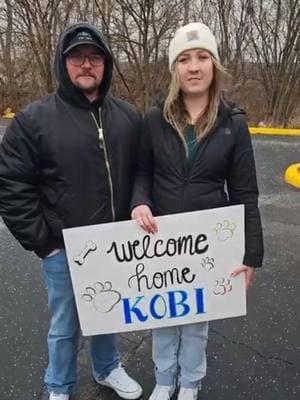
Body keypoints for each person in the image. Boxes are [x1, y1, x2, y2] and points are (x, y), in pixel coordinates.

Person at [0, 22, 143, 400]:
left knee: (109, 313)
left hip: (116, 246)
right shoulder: (34, 120)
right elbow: (12, 184)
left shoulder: (128, 117)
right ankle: (59, 385)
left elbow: (144, 172)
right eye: (76, 56)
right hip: (63, 249)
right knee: (66, 324)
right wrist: (44, 242)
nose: (85, 64)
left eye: (94, 57)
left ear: (106, 64)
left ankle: (108, 367)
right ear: (62, 64)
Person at [131, 22, 264, 400]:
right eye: (184, 59)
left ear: (214, 65)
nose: (194, 66)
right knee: (163, 317)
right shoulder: (155, 118)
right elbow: (142, 171)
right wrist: (139, 201)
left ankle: (189, 382)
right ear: (174, 69)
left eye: (202, 57)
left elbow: (244, 190)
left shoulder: (233, 122)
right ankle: (163, 378)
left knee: (195, 321)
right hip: (161, 239)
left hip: (207, 243)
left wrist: (251, 253)